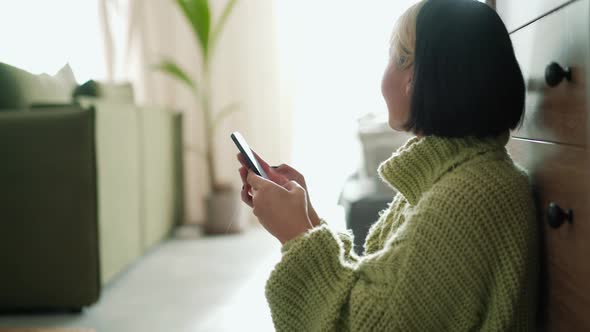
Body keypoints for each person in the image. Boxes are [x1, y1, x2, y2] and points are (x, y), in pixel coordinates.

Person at [236, 0, 538, 330]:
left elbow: (368, 325)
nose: (385, 78)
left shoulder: (467, 197)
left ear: (421, 77)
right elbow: (377, 294)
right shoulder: (455, 178)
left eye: (399, 57)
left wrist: (296, 234)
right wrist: (306, 218)